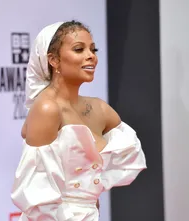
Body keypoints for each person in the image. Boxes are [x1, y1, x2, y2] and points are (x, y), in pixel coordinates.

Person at [11, 20, 147, 221]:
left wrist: (90, 196)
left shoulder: (100, 109)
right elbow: (37, 196)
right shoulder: (47, 108)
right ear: (53, 60)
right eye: (78, 49)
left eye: (93, 49)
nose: (91, 56)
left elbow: (126, 159)